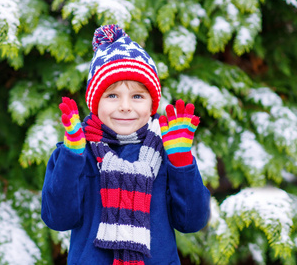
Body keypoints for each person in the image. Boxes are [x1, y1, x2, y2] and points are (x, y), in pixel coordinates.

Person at [41, 24, 211, 265]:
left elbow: (192, 221)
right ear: (94, 102)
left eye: (137, 96)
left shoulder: (166, 153)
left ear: (152, 103)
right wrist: (72, 156)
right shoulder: (78, 153)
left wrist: (181, 160)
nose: (125, 106)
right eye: (112, 95)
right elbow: (58, 218)